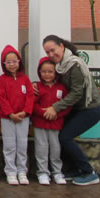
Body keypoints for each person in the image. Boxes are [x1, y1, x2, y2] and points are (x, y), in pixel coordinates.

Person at [41, 34, 100, 186]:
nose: (51, 54)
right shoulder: (60, 66)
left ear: (62, 46)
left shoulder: (74, 65)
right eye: (47, 52)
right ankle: (75, 170)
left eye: (53, 50)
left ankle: (89, 171)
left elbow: (77, 93)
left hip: (90, 109)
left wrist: (55, 107)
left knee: (65, 137)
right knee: (60, 133)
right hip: (76, 109)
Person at [0, 44, 33, 185]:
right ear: (4, 64)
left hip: (23, 118)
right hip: (8, 119)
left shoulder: (25, 79)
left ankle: (22, 171)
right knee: (9, 145)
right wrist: (10, 113)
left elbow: (30, 96)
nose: (12, 65)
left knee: (22, 145)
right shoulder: (2, 80)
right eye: (8, 62)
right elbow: (2, 98)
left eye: (14, 61)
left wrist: (25, 112)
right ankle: (10, 171)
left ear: (19, 62)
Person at [32, 56, 70, 185]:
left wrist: (57, 114)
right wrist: (44, 112)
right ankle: (42, 173)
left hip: (55, 124)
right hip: (40, 124)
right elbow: (33, 104)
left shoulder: (62, 88)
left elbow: (67, 105)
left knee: (55, 149)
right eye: (44, 72)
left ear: (56, 72)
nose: (47, 74)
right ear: (39, 72)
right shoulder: (36, 87)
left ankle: (57, 172)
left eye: (50, 72)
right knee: (41, 148)